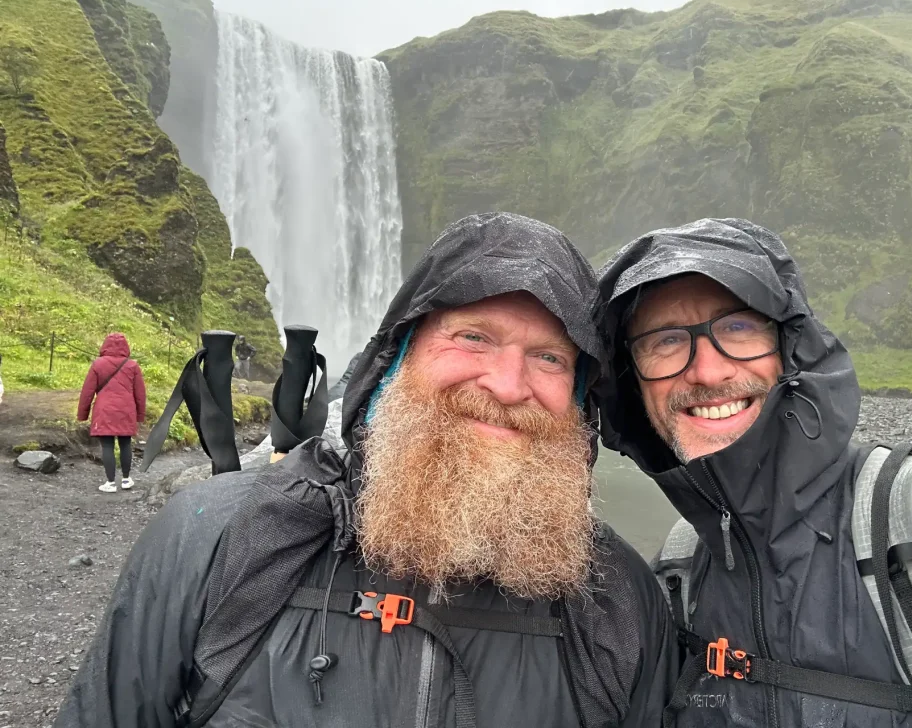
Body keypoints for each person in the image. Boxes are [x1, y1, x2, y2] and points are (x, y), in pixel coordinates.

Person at [55, 212, 677, 727]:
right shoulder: (213, 536)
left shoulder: (619, 600)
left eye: (548, 357)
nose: (509, 385)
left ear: (580, 399)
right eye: (473, 338)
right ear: (394, 362)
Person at [596, 218, 912, 727]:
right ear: (633, 383)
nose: (708, 372)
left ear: (790, 350)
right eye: (664, 341)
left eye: (737, 326)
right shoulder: (674, 575)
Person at [76, 332, 146, 493]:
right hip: (126, 410)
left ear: (105, 345)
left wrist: (83, 414)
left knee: (107, 445)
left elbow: (87, 391)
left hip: (104, 410)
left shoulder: (98, 364)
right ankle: (127, 479)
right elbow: (140, 394)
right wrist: (140, 415)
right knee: (125, 443)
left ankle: (110, 482)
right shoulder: (132, 366)